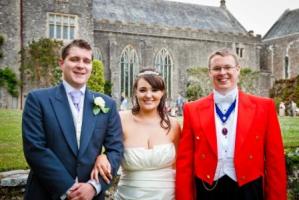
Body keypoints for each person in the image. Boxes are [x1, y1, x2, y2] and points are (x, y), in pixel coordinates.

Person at [176, 49, 287, 200]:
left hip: (249, 186)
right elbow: (185, 162)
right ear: (209, 73)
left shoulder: (264, 107)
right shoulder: (192, 109)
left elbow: (275, 161)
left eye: (228, 67)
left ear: (238, 70)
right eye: (216, 68)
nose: (222, 72)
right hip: (207, 187)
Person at [22, 39, 123, 200]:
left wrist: (93, 187)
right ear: (62, 63)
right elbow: (35, 149)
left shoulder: (108, 104)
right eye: (74, 59)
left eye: (86, 61)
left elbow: (116, 149)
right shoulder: (38, 100)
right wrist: (68, 188)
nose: (81, 65)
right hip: (46, 193)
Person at [91, 68, 181, 199]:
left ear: (162, 93)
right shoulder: (120, 119)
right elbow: (110, 149)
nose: (149, 95)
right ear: (135, 92)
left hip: (168, 195)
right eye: (143, 90)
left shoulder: (173, 125)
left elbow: (178, 166)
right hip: (128, 195)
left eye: (154, 90)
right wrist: (102, 157)